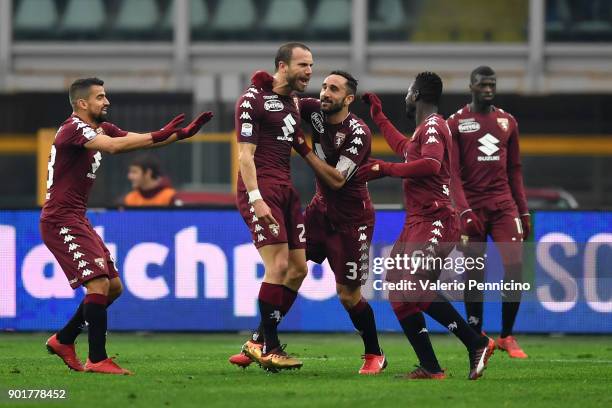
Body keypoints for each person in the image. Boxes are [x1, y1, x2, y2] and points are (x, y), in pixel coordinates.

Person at [41, 77, 213, 375]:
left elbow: (133, 139)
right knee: (98, 284)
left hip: (76, 216)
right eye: (100, 97)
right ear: (82, 103)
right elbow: (115, 147)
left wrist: (181, 134)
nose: (106, 102)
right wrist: (161, 133)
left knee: (114, 287)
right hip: (60, 218)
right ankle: (97, 359)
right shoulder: (74, 128)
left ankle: (64, 339)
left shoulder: (101, 127)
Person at [359, 72, 494, 380]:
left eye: (408, 92)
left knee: (416, 288)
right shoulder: (425, 129)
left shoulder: (434, 125)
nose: (406, 97)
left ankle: (477, 342)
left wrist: (385, 170)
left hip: (435, 220)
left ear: (416, 94)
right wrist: (379, 118)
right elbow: (405, 148)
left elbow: (430, 165)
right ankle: (431, 367)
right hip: (417, 221)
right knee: (399, 291)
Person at [292, 70, 385, 374]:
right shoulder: (312, 111)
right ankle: (261, 340)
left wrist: (303, 149)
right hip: (319, 212)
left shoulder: (359, 133)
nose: (325, 93)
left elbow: (336, 180)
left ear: (348, 99)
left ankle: (375, 354)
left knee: (348, 295)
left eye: (334, 89)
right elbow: (281, 105)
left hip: (352, 222)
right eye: (324, 86)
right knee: (288, 267)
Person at [228, 43, 312, 372]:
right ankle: (271, 348)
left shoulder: (292, 101)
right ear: (282, 65)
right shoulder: (252, 99)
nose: (309, 71)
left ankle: (257, 339)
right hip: (261, 189)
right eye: (303, 65)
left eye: (311, 65)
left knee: (298, 269)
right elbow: (245, 155)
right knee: (277, 266)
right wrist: (255, 198)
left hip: (286, 189)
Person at [447, 66, 530, 358]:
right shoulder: (456, 123)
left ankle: (507, 335)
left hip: (503, 205)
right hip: (472, 208)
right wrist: (463, 210)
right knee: (474, 272)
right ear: (471, 86)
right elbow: (453, 173)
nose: (488, 88)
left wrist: (524, 211)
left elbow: (515, 170)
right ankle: (478, 333)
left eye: (492, 84)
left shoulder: (507, 121)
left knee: (516, 265)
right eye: (483, 84)